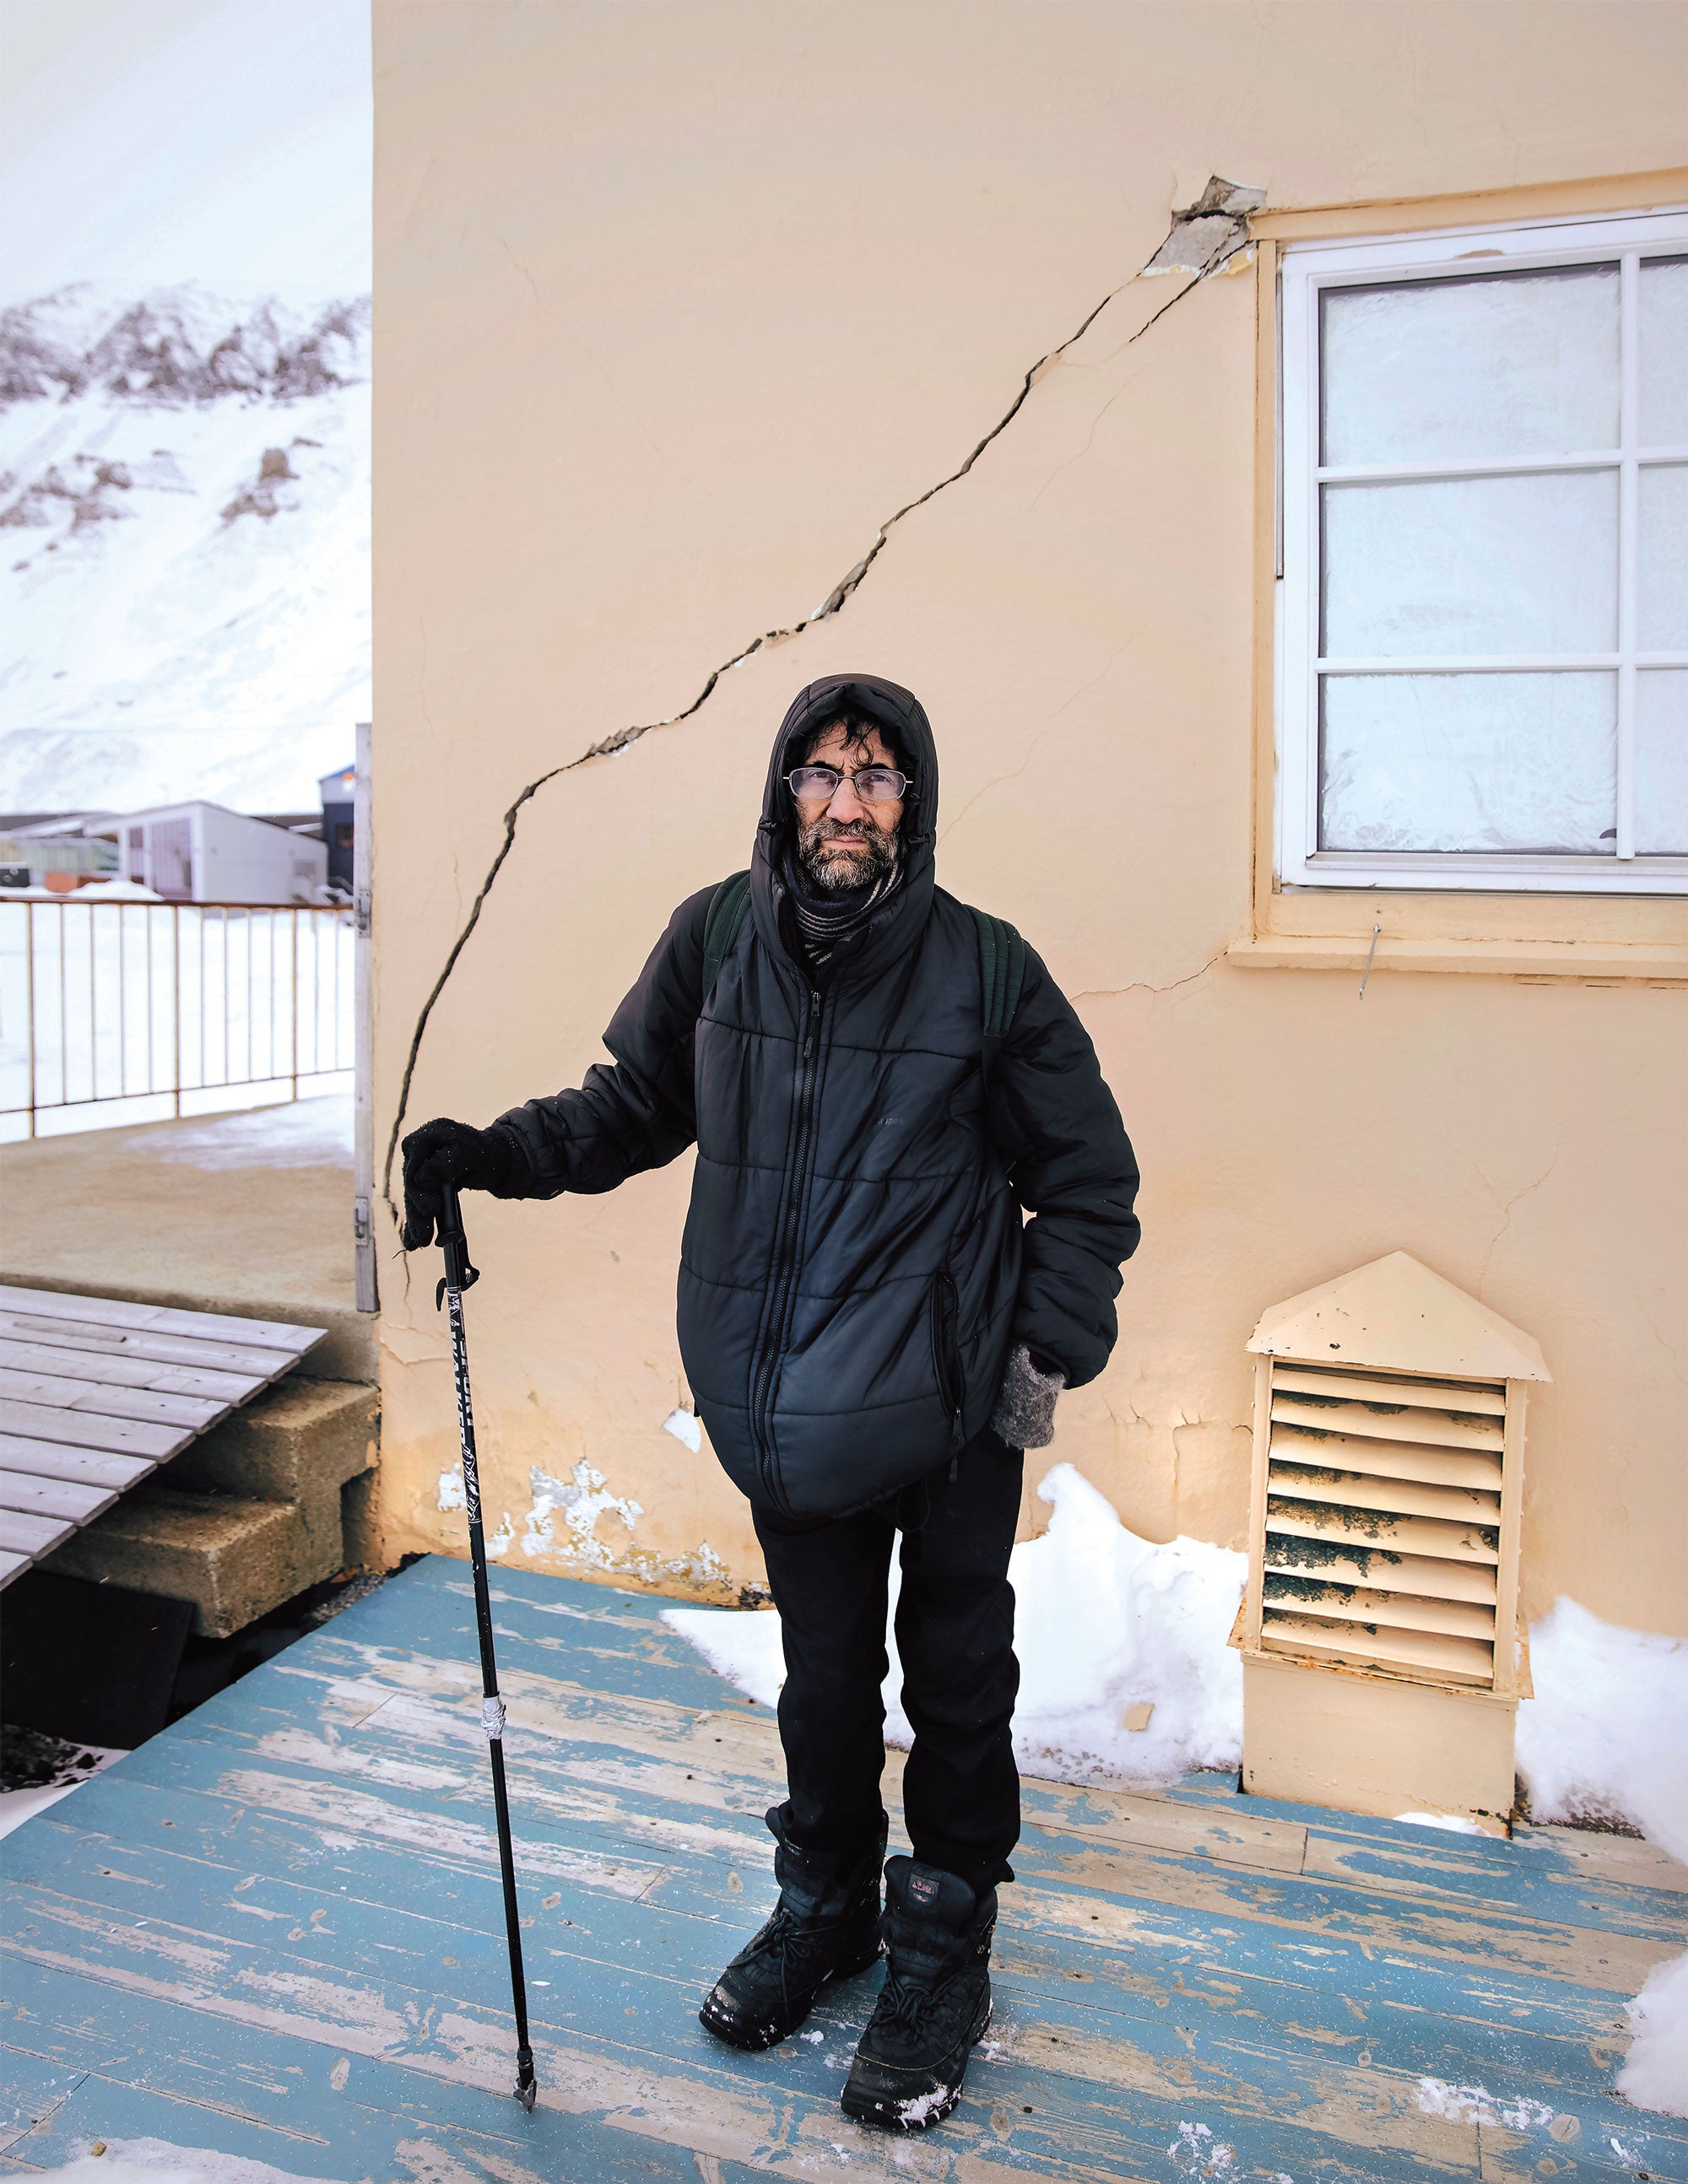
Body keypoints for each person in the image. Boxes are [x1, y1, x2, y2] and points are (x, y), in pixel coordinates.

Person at [402, 673, 1139, 2132]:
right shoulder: (719, 940)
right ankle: (827, 1910)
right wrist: (485, 1151)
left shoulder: (988, 970)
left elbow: (1089, 1181)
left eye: (875, 777)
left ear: (911, 803)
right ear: (783, 793)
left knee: (956, 1678)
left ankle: (941, 1946)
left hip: (943, 1406)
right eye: (822, 775)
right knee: (818, 1677)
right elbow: (629, 1106)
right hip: (786, 1399)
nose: (847, 802)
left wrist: (1035, 1363)